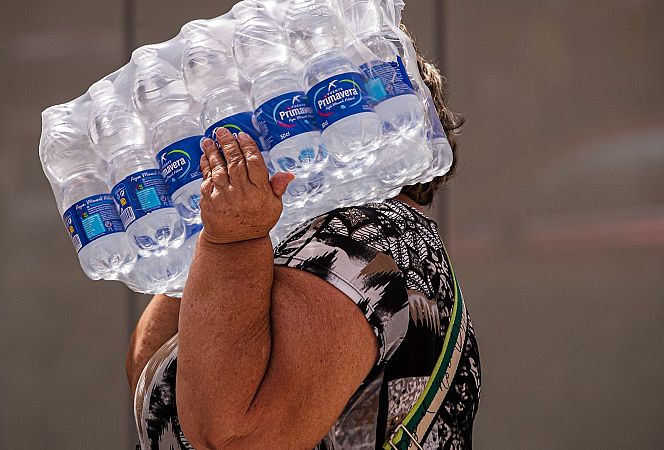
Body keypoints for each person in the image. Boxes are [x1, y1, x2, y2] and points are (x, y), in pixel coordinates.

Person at [127, 32, 480, 450]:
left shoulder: (373, 236)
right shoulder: (293, 234)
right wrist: (212, 227)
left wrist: (232, 240)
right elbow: (155, 384)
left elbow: (233, 434)